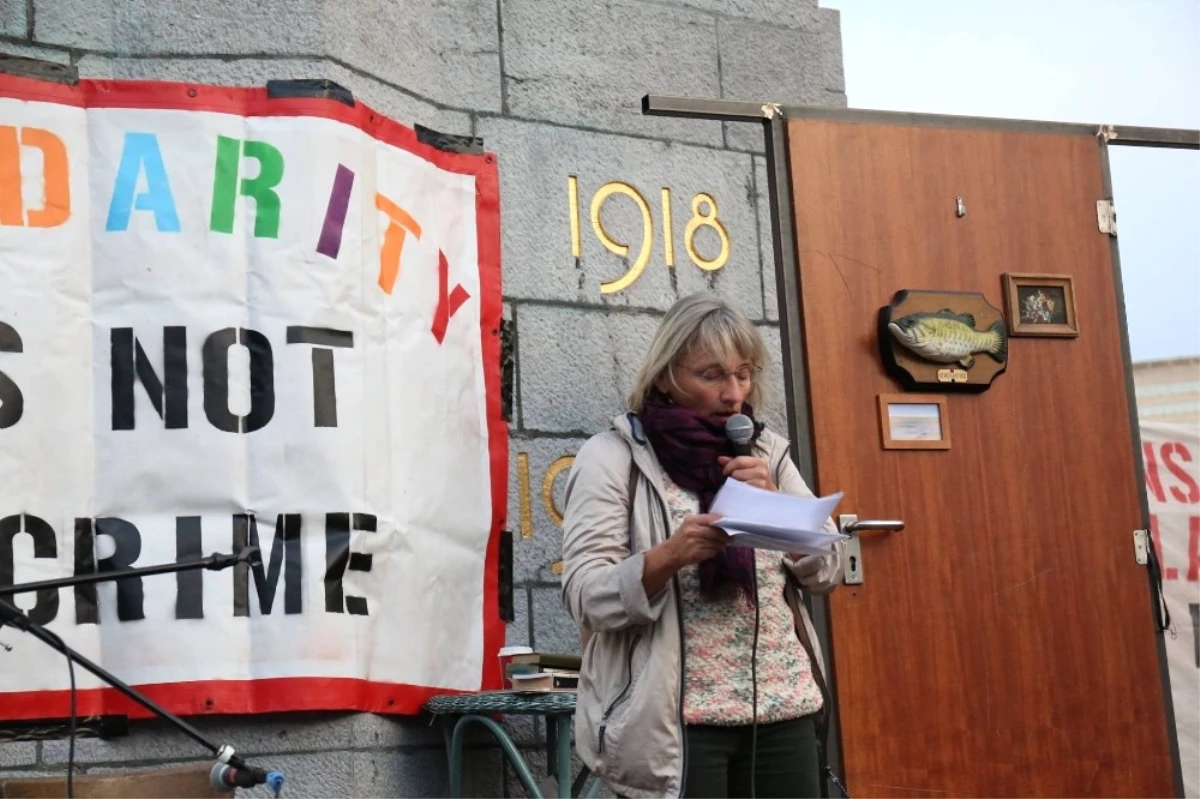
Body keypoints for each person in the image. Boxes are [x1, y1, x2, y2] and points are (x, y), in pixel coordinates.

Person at [561, 292, 845, 799]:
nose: (734, 394)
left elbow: (828, 569)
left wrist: (777, 506)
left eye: (744, 373)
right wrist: (669, 555)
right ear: (667, 374)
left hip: (782, 706)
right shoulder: (612, 458)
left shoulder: (766, 451)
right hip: (676, 721)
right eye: (712, 375)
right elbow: (585, 595)